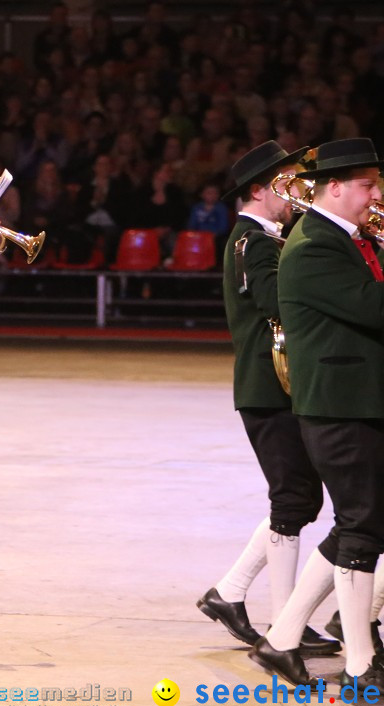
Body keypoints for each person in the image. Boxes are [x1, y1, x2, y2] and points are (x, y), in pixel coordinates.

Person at [251, 138, 384, 690]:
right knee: (361, 530)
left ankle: (281, 639)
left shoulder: (342, 237)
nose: (376, 195)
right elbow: (375, 307)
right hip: (338, 407)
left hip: (355, 402)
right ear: (334, 187)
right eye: (367, 185)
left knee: (364, 523)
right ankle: (360, 666)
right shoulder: (314, 246)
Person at [198, 141, 339, 657]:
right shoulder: (253, 241)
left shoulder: (263, 238)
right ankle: (286, 624)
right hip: (268, 386)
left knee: (299, 498)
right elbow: (277, 302)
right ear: (258, 190)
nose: (295, 190)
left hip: (277, 386)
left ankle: (231, 594)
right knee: (294, 500)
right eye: (284, 181)